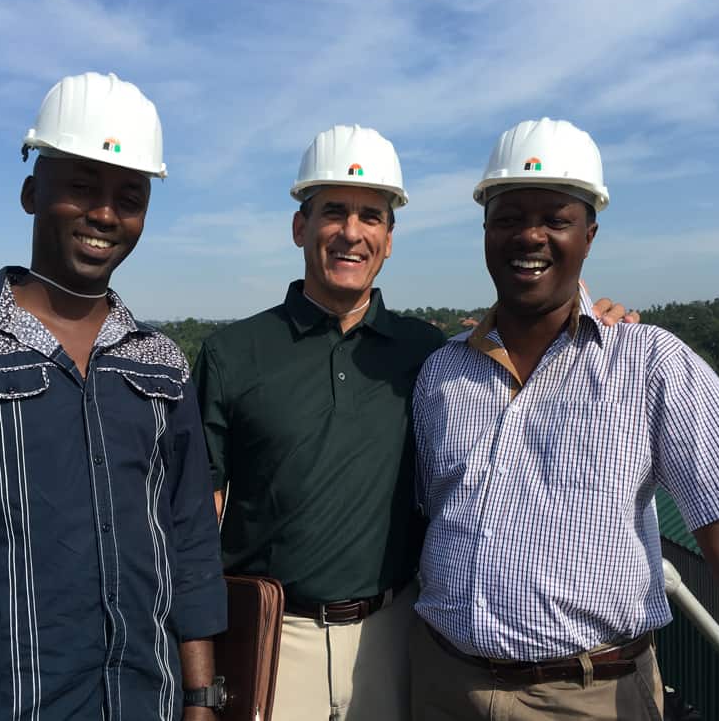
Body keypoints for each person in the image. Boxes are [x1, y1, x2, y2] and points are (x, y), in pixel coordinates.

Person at [410, 117, 719, 721]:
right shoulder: (441, 374)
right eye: (508, 219)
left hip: (591, 695)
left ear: (589, 235)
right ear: (485, 231)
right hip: (441, 682)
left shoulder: (650, 362)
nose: (529, 236)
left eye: (555, 219)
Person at [192, 124, 634, 721]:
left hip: (398, 636)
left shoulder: (429, 353)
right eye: (334, 212)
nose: (352, 232)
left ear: (390, 238)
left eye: (371, 216)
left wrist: (599, 316)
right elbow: (197, 517)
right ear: (301, 227)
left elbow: (530, 341)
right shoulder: (233, 353)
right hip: (276, 638)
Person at [0, 72, 227, 721]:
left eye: (129, 195)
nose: (105, 213)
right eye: (81, 185)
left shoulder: (160, 364)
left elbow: (188, 542)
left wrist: (199, 699)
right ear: (31, 191)